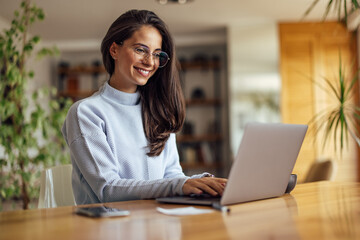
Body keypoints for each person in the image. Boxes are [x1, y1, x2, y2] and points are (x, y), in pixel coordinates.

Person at [62, 9, 227, 205]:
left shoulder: (159, 112)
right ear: (114, 50)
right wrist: (179, 185)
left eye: (157, 54)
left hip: (158, 223)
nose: (150, 62)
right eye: (140, 50)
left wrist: (201, 183)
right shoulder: (86, 113)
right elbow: (107, 189)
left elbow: (171, 175)